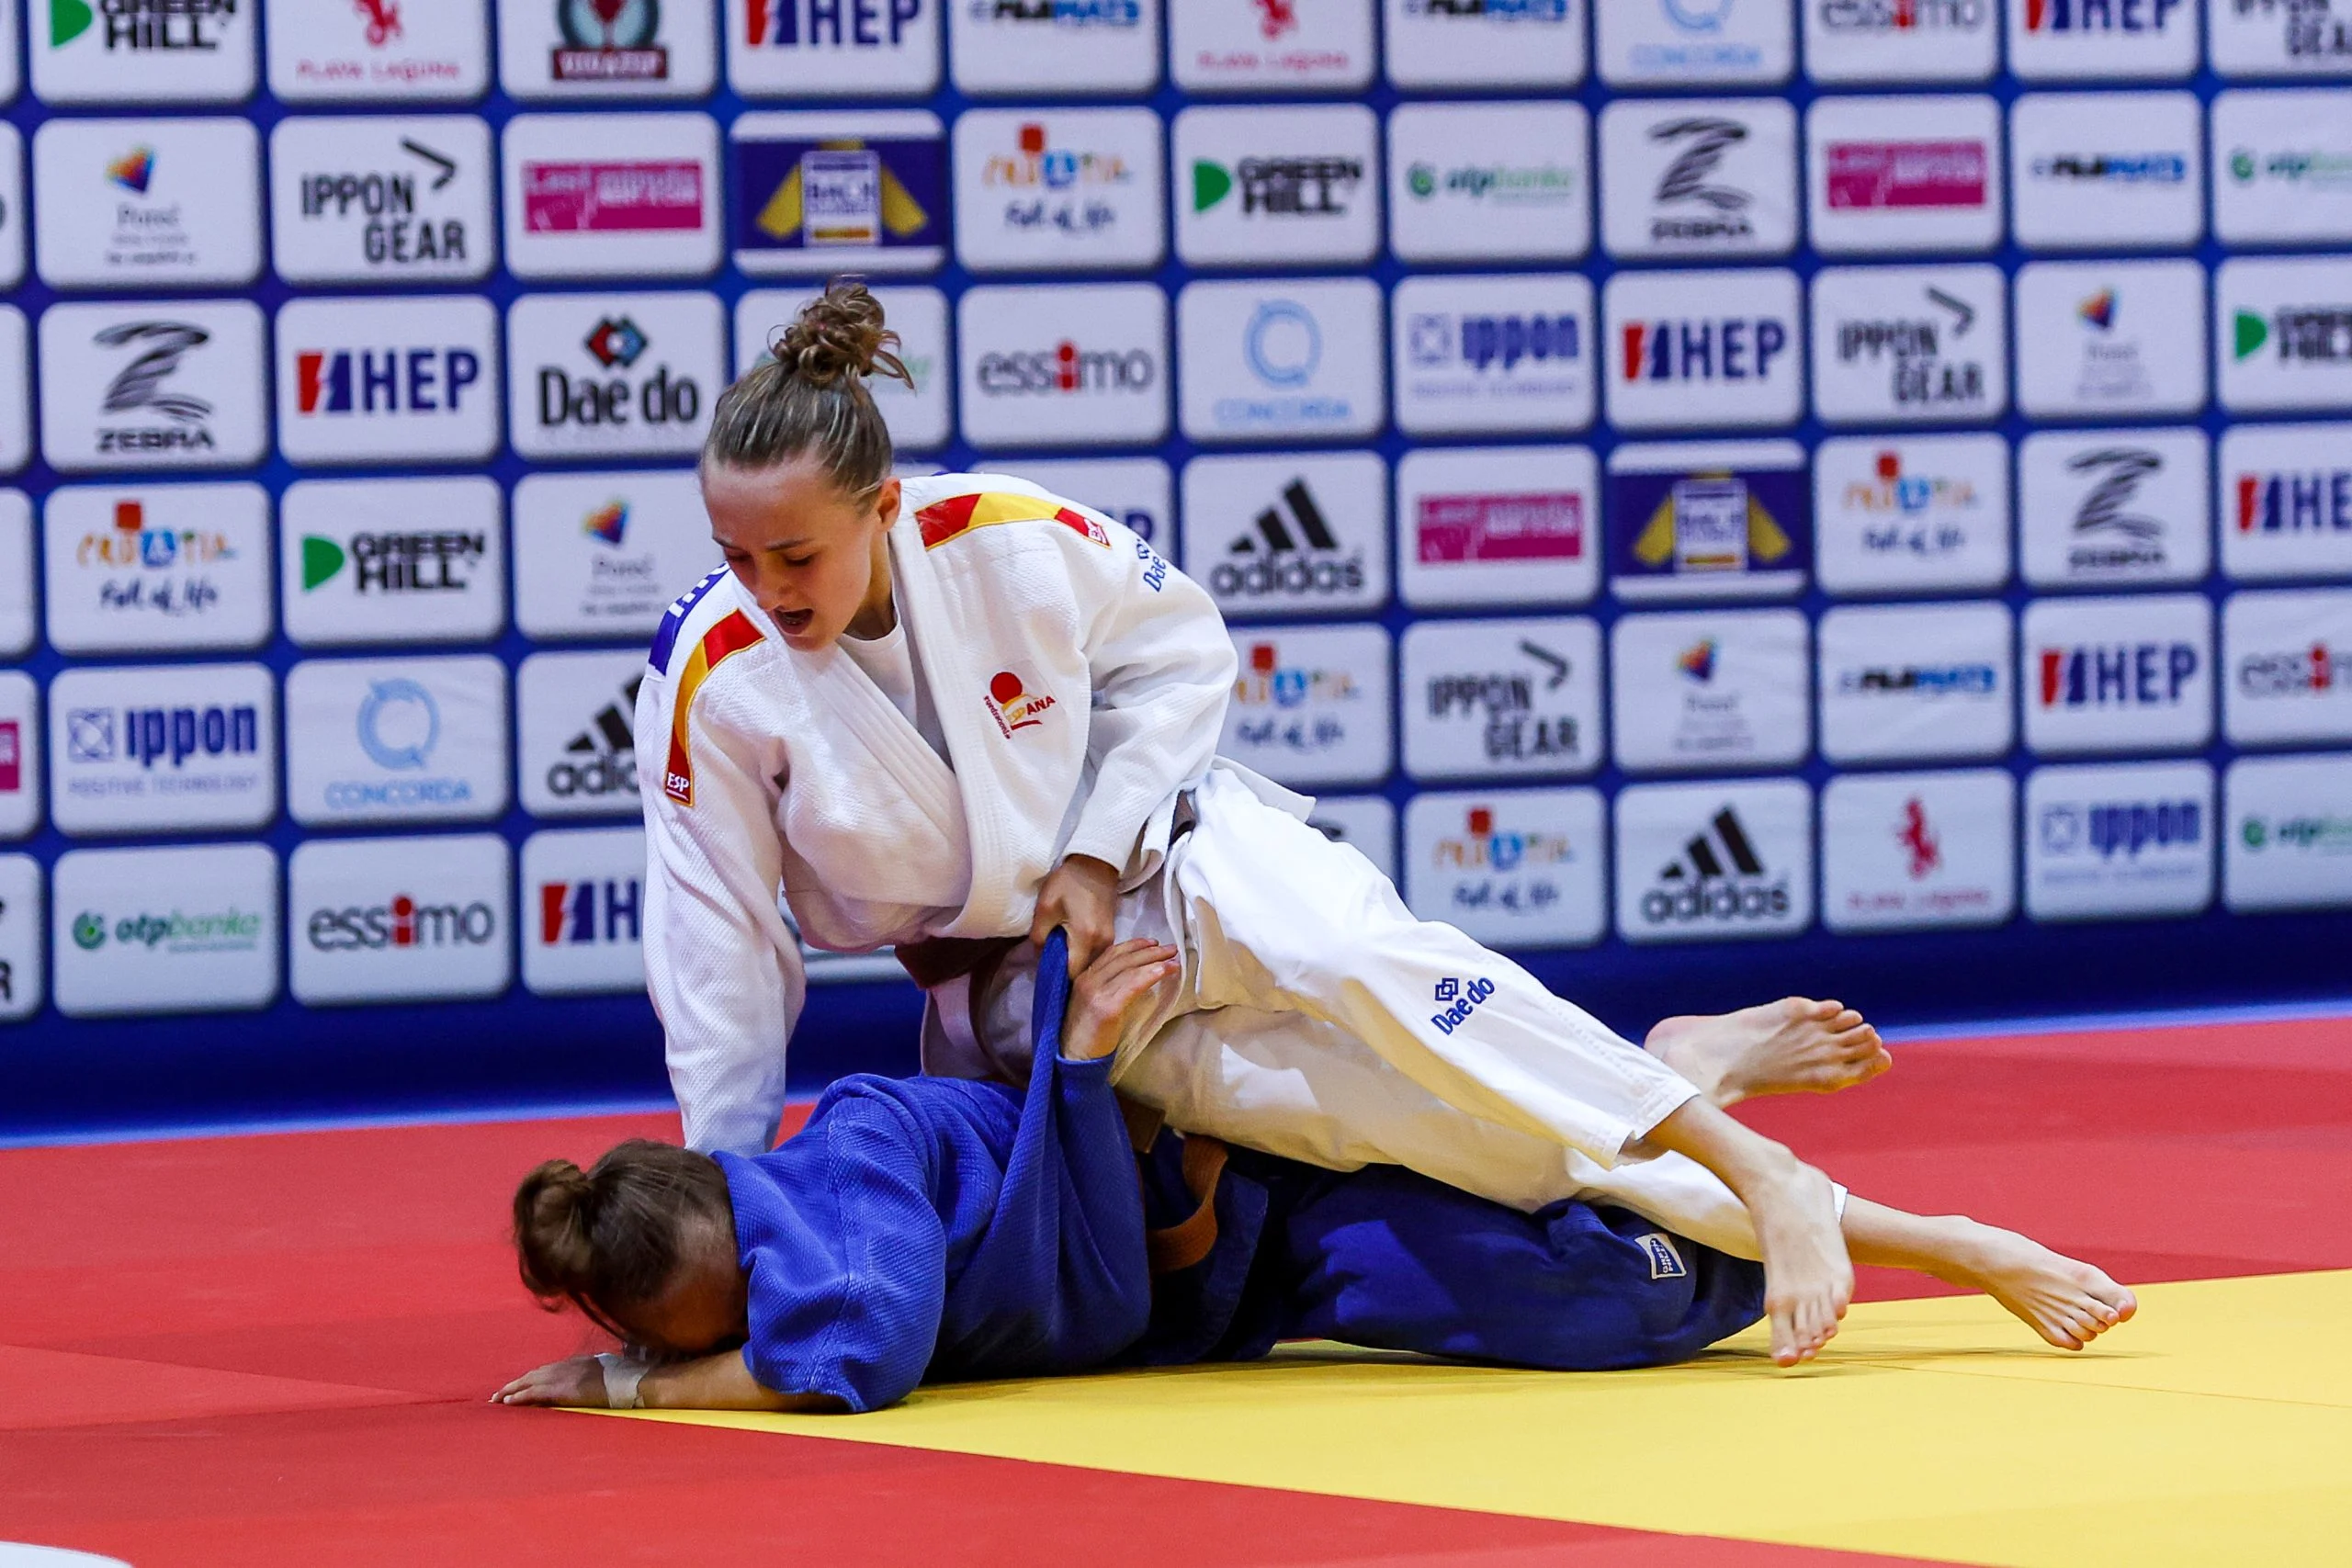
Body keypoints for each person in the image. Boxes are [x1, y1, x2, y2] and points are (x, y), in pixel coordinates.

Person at [644, 279, 1852, 1365]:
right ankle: (1720, 1105)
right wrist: (720, 1198)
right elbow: (722, 946)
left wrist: (1094, 846)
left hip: (1174, 847)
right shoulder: (714, 677)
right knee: (1400, 1119)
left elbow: (1182, 653)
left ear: (883, 507)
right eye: (736, 556)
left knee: (1368, 962)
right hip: (1026, 988)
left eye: (795, 554)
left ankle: (1763, 1172)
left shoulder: (1006, 536)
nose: (767, 589)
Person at [492, 937, 2135, 1416]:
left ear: (741, 1218)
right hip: (1250, 1278)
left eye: (742, 1311)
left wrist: (648, 1387)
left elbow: (860, 1341)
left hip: (1267, 1180)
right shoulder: (786, 1215)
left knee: (1615, 1288)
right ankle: (1681, 1072)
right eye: (721, 1337)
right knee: (1592, 1292)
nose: (762, 1340)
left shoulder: (839, 1183)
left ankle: (1925, 1228)